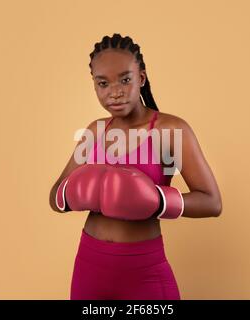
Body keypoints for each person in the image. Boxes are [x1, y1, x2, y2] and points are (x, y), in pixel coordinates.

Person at [49, 33, 223, 300]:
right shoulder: (94, 131)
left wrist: (156, 200)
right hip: (89, 265)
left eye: (125, 79)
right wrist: (71, 192)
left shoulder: (170, 129)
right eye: (103, 83)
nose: (115, 91)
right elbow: (55, 198)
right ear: (94, 85)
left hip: (143, 269)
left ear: (141, 78)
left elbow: (212, 202)